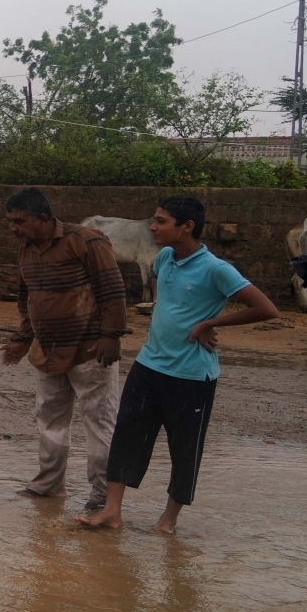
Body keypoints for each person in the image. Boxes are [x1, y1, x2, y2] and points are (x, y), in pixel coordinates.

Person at [79, 196, 278, 534]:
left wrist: (209, 324)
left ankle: (168, 521)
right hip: (147, 365)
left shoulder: (216, 269)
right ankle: (112, 511)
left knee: (184, 449)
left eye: (160, 221)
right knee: (126, 437)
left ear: (187, 227)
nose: (152, 227)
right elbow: (159, 283)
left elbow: (266, 308)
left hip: (191, 376)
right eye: (154, 221)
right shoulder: (166, 257)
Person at [0, 187, 127, 510]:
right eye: (10, 222)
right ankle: (49, 486)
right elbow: (26, 299)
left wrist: (111, 336)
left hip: (90, 350)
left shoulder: (86, 241)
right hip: (48, 352)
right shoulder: (27, 248)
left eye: (20, 221)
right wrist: (22, 339)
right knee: (49, 421)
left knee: (99, 424)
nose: (13, 228)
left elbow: (112, 290)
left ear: (43, 219)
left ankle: (101, 496)